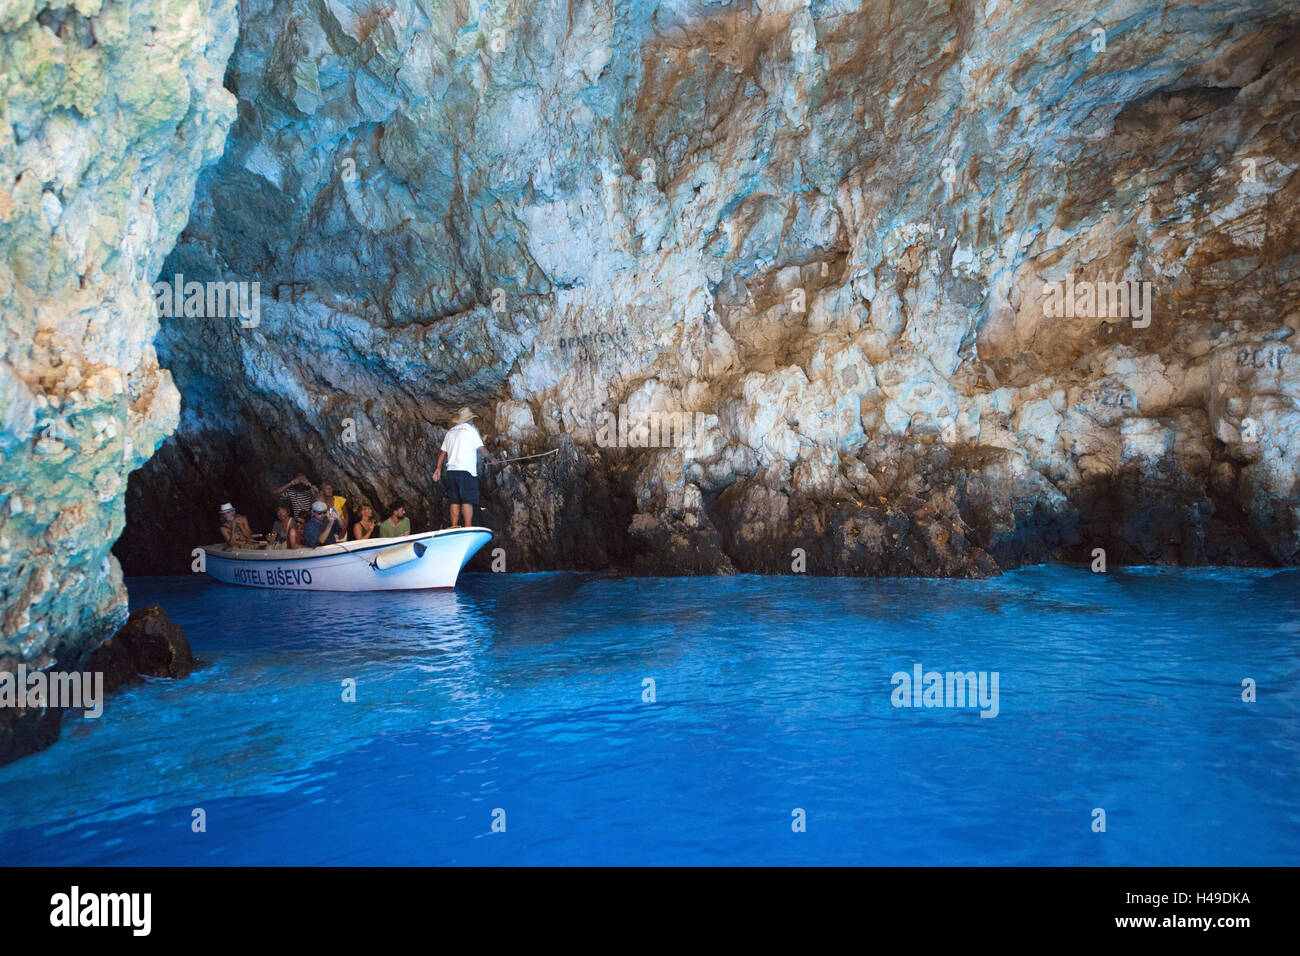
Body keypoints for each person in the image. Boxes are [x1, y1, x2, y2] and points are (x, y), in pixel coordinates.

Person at [433, 407, 494, 528]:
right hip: (466, 471)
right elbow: (481, 449)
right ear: (469, 420)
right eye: (471, 419)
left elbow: (442, 453)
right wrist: (492, 458)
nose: (472, 422)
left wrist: (438, 469)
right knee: (467, 500)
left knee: (454, 500)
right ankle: (467, 526)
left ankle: (454, 525)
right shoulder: (470, 430)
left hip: (451, 472)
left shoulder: (450, 432)